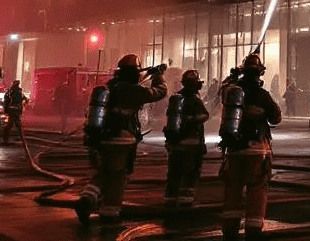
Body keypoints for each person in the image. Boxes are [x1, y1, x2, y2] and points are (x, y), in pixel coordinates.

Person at [76, 55, 168, 224]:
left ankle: (87, 198)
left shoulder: (110, 88)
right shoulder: (136, 91)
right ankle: (110, 213)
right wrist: (158, 76)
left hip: (103, 139)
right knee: (118, 176)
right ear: (134, 73)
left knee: (104, 172)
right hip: (123, 141)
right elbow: (160, 92)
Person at [218, 53, 281, 240]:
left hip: (234, 150)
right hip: (257, 151)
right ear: (260, 73)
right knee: (256, 189)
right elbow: (276, 118)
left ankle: (230, 230)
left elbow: (221, 91)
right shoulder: (263, 95)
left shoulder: (231, 93)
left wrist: (232, 77)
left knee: (232, 190)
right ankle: (253, 231)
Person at [163, 70, 210, 209]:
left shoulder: (175, 99)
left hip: (176, 143)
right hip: (192, 145)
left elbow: (170, 118)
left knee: (174, 173)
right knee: (190, 173)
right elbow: (204, 115)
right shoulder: (195, 100)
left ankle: (170, 200)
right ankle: (185, 202)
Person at [2, 80, 26, 144]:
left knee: (12, 125)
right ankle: (21, 140)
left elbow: (6, 101)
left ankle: (6, 139)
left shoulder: (11, 91)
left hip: (12, 110)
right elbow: (23, 99)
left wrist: (6, 109)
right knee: (16, 125)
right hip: (14, 110)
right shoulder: (15, 91)